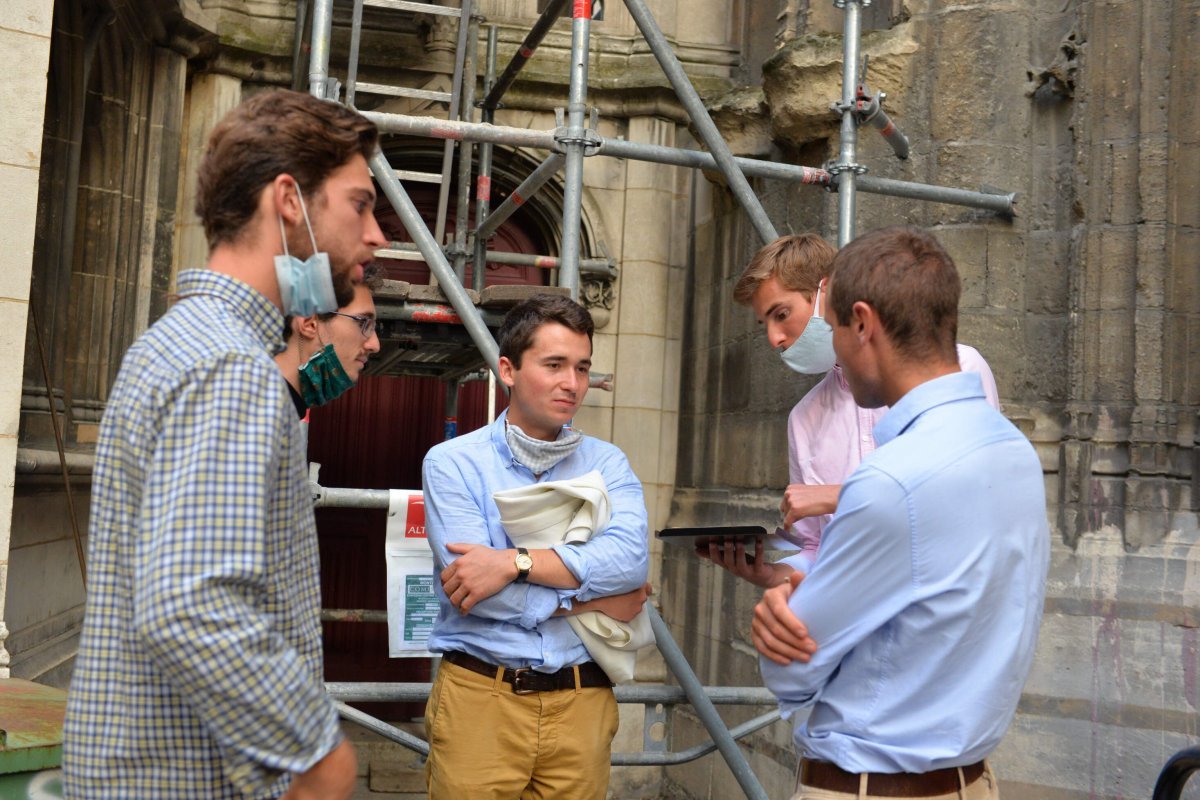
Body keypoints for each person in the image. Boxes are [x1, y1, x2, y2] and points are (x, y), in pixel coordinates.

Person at [63, 89, 386, 800]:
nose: (376, 235)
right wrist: (316, 750)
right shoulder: (228, 365)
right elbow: (192, 602)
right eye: (360, 204)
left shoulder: (184, 341)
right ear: (290, 200)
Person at [751, 225, 1049, 800]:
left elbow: (791, 671)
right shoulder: (1017, 452)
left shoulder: (887, 483)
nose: (832, 348)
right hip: (970, 775)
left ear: (861, 323)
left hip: (872, 783)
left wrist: (778, 624)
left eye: (835, 327)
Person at [421, 294, 652, 800]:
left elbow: (631, 563)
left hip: (582, 700)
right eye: (554, 365)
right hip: (483, 700)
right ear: (508, 369)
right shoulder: (452, 463)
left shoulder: (607, 463)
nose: (572, 384)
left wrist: (514, 562)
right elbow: (478, 592)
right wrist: (588, 600)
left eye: (582, 368)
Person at [699, 234, 1000, 587]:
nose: (774, 339)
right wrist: (773, 575)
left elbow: (973, 495)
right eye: (764, 324)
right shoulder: (804, 418)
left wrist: (836, 495)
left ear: (828, 295)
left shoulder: (957, 369)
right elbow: (816, 547)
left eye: (781, 314)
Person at [275, 263, 383, 418]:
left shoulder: (277, 410)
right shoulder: (253, 412)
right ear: (309, 323)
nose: (375, 345)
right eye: (363, 322)